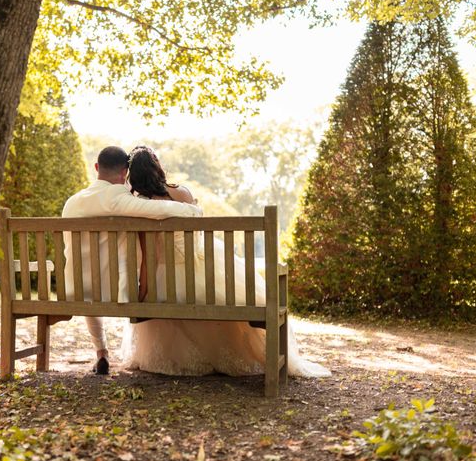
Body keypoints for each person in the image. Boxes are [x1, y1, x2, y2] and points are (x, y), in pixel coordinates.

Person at [122, 146, 331, 378]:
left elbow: (148, 260)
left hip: (163, 280)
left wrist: (141, 296)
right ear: (157, 168)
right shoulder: (182, 194)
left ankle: (183, 357)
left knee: (165, 291)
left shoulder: (139, 207)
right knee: (225, 287)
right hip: (197, 271)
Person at [62, 146, 202, 375]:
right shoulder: (116, 197)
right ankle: (102, 353)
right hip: (114, 291)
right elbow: (157, 209)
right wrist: (194, 210)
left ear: (96, 167)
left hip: (76, 289)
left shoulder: (72, 202)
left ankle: (101, 353)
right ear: (125, 172)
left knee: (86, 276)